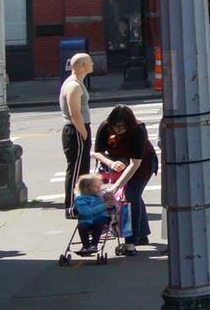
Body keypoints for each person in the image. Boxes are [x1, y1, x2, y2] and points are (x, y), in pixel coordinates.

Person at [93, 104, 157, 250]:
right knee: (135, 195)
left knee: (130, 196)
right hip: (119, 163)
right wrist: (110, 163)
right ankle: (142, 233)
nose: (118, 130)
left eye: (122, 127)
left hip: (142, 164)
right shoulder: (105, 127)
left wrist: (116, 187)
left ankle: (131, 241)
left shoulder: (138, 130)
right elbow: (97, 152)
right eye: (115, 126)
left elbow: (135, 163)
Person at [60, 53, 94, 218]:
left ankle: (79, 204)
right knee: (76, 171)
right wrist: (84, 133)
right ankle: (72, 207)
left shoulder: (76, 83)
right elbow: (75, 113)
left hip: (78, 129)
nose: (92, 64)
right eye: (89, 62)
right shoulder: (73, 85)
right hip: (76, 130)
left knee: (81, 169)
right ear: (81, 65)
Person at [73, 173, 114, 254]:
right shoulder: (80, 199)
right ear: (87, 188)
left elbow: (111, 205)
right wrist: (104, 206)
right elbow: (86, 211)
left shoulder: (100, 195)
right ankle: (86, 246)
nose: (99, 188)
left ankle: (94, 245)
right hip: (86, 219)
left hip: (101, 217)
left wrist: (110, 201)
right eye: (96, 187)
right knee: (82, 226)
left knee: (99, 223)